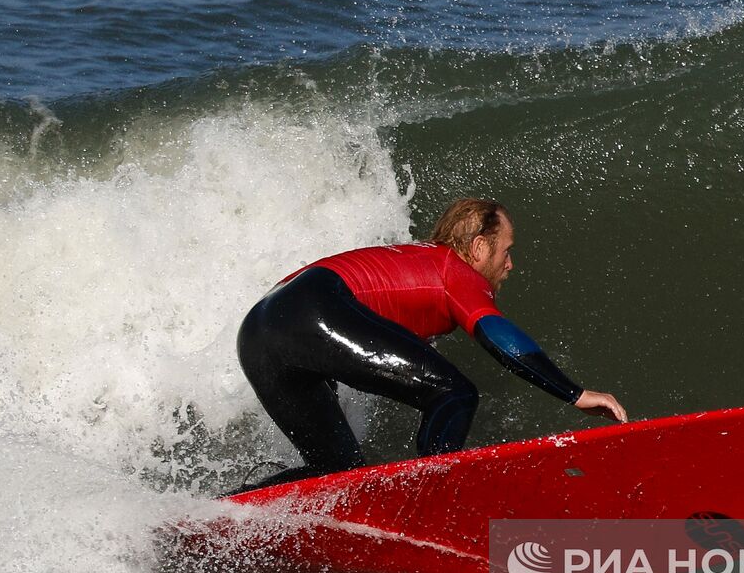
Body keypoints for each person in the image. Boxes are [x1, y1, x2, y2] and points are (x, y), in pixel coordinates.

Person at [231, 198, 626, 492]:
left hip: (258, 330)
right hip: (311, 309)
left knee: (336, 475)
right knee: (454, 394)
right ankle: (431, 496)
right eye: (507, 250)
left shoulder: (409, 259)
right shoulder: (453, 269)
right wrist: (575, 393)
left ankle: (223, 513)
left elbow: (297, 303)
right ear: (479, 247)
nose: (510, 264)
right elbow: (499, 336)